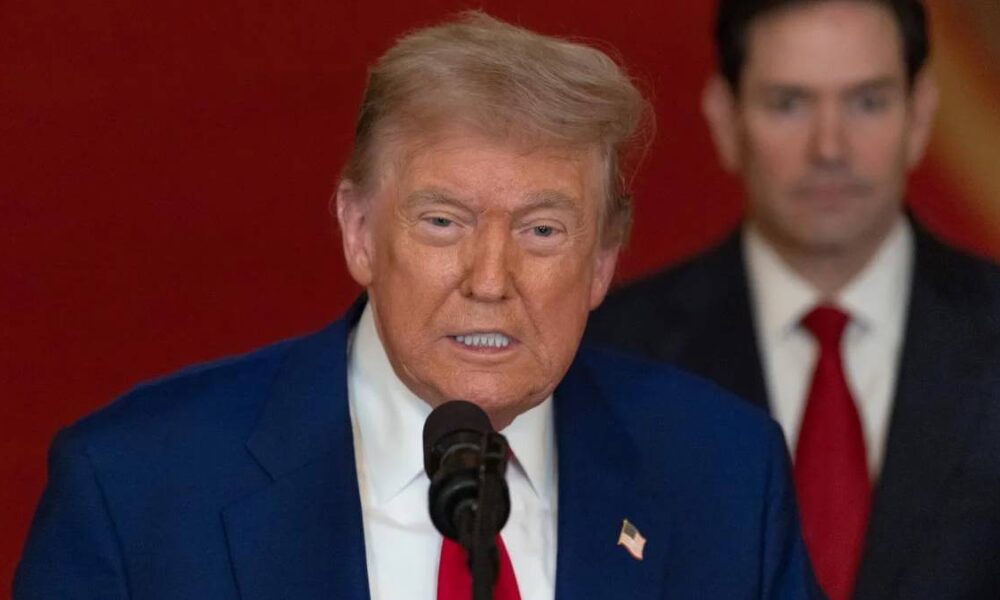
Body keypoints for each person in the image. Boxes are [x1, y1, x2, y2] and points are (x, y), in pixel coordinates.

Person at [14, 12, 821, 600]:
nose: (490, 279)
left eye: (542, 230)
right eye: (443, 222)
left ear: (603, 261)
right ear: (359, 232)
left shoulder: (722, 474)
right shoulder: (137, 491)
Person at [587, 1, 1000, 599]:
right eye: (789, 104)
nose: (829, 148)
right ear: (726, 120)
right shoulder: (614, 355)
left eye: (868, 102)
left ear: (919, 116)